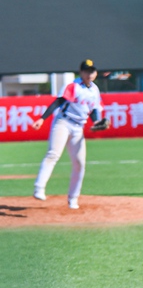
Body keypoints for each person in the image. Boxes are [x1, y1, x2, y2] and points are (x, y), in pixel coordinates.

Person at [32, 59, 107, 210]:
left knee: (79, 164)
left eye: (92, 70)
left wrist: (97, 122)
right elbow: (58, 102)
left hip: (79, 128)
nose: (90, 73)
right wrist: (42, 118)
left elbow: (93, 110)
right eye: (86, 70)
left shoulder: (94, 90)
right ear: (81, 72)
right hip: (63, 123)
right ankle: (39, 188)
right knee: (53, 154)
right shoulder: (74, 86)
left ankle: (73, 198)